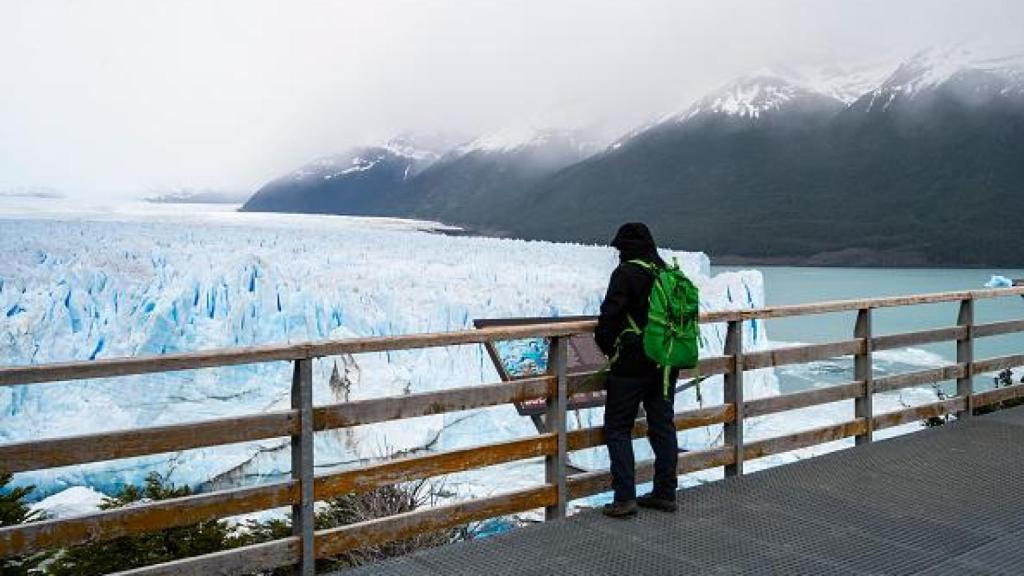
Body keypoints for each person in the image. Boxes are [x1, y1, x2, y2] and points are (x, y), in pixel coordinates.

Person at [595, 222, 679, 518]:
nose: (618, 254)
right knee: (662, 425)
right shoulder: (666, 272)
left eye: (620, 249)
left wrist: (612, 349)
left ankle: (624, 498)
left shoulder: (626, 273)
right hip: (665, 361)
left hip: (631, 365)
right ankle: (665, 493)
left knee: (618, 428)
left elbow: (609, 318)